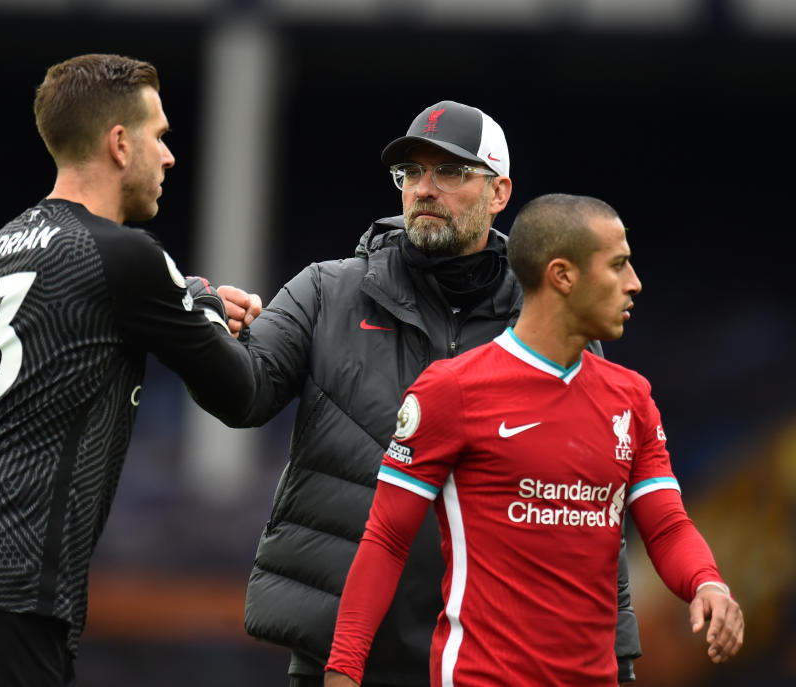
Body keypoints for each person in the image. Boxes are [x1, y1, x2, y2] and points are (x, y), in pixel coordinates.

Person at [0, 53, 258, 687]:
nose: (170, 156)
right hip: (11, 598)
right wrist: (203, 303)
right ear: (120, 143)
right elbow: (240, 395)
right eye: (161, 136)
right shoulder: (125, 257)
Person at [209, 102, 641, 685]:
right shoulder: (324, 291)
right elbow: (243, 395)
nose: (425, 189)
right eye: (411, 173)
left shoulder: (553, 318)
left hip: (496, 660)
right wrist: (195, 319)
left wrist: (620, 652)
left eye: (451, 173)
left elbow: (594, 498)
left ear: (499, 192)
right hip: (342, 659)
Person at [323, 193, 745, 686]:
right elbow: (386, 539)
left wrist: (706, 582)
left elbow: (667, 526)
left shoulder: (631, 398)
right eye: (618, 265)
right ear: (562, 276)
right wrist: (343, 668)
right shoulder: (452, 391)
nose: (635, 284)